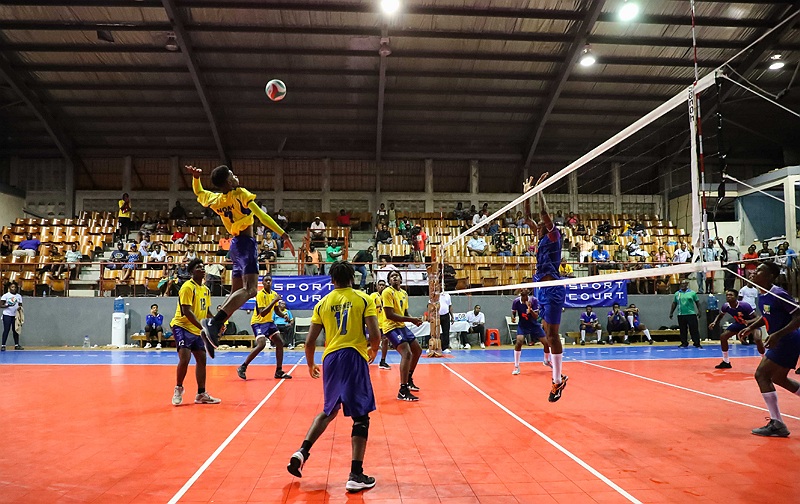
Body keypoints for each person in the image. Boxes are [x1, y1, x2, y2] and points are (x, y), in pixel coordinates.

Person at [286, 262, 380, 492]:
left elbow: (309, 342)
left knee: (329, 410)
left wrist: (310, 364)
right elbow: (375, 333)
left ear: (332, 280)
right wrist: (374, 349)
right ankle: (356, 474)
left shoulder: (322, 303)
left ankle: (302, 451)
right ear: (352, 278)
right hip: (353, 356)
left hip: (330, 358)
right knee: (361, 417)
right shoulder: (363, 298)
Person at [185, 164, 294, 359]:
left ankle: (212, 331)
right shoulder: (240, 193)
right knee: (251, 289)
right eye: (233, 175)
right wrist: (283, 234)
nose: (236, 177)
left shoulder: (216, 199)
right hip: (246, 244)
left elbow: (199, 192)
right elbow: (261, 216)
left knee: (236, 293)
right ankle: (214, 323)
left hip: (234, 246)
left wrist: (195, 178)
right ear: (229, 180)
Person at [738, 262, 800, 437]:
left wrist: (778, 335)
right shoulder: (762, 294)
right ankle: (777, 423)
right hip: (782, 339)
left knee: (762, 374)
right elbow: (766, 316)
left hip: (788, 339)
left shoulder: (778, 294)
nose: (753, 272)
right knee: (779, 378)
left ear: (770, 276)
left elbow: (799, 316)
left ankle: (777, 423)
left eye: (759, 271)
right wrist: (751, 327)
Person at [524, 173, 568, 402]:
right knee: (545, 328)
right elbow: (527, 216)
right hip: (541, 287)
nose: (539, 224)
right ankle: (555, 370)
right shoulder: (539, 236)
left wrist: (539, 191)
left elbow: (542, 214)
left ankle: (557, 379)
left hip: (553, 287)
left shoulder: (553, 236)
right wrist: (526, 194)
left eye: (542, 223)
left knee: (551, 334)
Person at [169, 259, 220, 406]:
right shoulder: (187, 287)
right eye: (198, 267)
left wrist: (217, 322)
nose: (202, 269)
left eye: (203, 267)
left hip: (196, 329)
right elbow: (186, 311)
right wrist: (203, 328)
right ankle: (178, 388)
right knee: (185, 358)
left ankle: (201, 394)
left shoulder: (205, 289)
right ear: (191, 272)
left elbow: (206, 311)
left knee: (202, 359)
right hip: (182, 326)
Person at [237, 274, 293, 380]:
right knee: (261, 344)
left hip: (269, 322)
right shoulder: (260, 295)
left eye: (269, 280)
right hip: (258, 322)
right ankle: (243, 367)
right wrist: (274, 301)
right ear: (262, 283)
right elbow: (262, 313)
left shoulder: (274, 294)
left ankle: (279, 371)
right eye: (266, 280)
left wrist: (284, 315)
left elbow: (276, 310)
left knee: (280, 343)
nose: (268, 282)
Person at [381, 270, 424, 401]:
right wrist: (411, 320)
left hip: (401, 326)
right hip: (390, 326)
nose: (395, 278)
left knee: (417, 350)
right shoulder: (387, 292)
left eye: (397, 276)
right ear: (389, 281)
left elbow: (405, 311)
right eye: (392, 276)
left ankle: (409, 378)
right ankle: (403, 389)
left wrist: (414, 320)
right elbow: (389, 315)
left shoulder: (404, 293)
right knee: (407, 353)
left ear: (400, 279)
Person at [708, 289, 762, 369]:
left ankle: (764, 360)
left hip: (752, 324)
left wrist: (748, 321)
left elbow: (758, 318)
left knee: (757, 339)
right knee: (723, 337)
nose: (728, 296)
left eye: (731, 295)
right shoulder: (726, 306)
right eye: (727, 295)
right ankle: (726, 361)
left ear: (736, 297)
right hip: (739, 324)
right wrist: (714, 322)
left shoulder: (744, 305)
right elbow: (720, 315)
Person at [511, 289, 551, 375]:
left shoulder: (534, 300)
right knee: (519, 341)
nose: (525, 298)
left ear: (528, 295)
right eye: (523, 296)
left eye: (526, 296)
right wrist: (513, 317)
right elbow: (513, 312)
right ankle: (516, 366)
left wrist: (530, 310)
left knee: (546, 343)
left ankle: (546, 361)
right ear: (520, 295)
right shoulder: (516, 302)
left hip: (534, 325)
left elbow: (536, 317)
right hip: (523, 325)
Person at [669, 279, 702, 348]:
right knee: (683, 330)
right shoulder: (677, 293)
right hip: (681, 314)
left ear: (687, 284)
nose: (683, 285)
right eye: (681, 284)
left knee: (694, 329)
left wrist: (699, 311)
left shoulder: (692, 293)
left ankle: (696, 343)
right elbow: (674, 303)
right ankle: (684, 343)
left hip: (691, 314)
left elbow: (697, 302)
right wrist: (671, 312)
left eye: (684, 284)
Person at [369, 279, 391, 370]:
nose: (381, 286)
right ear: (377, 287)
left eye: (383, 285)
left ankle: (382, 361)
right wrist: (377, 306)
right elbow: (369, 307)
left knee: (385, 341)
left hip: (385, 323)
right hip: (374, 323)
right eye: (380, 285)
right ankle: (367, 358)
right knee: (369, 342)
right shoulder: (373, 295)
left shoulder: (387, 295)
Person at [1, 282, 23, 351]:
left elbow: (20, 305)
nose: (14, 289)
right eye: (12, 287)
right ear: (9, 288)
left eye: (15, 287)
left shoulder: (19, 296)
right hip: (7, 315)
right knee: (6, 330)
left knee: (15, 330)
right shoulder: (6, 296)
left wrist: (19, 308)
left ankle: (16, 345)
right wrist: (8, 305)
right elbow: (1, 305)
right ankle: (3, 345)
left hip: (15, 316)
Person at [438, 286, 454, 354]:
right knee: (435, 332)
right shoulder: (435, 295)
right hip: (437, 316)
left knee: (446, 331)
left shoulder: (447, 295)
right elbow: (430, 305)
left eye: (443, 286)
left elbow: (450, 306)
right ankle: (433, 346)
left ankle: (445, 347)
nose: (442, 287)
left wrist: (452, 316)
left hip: (446, 315)